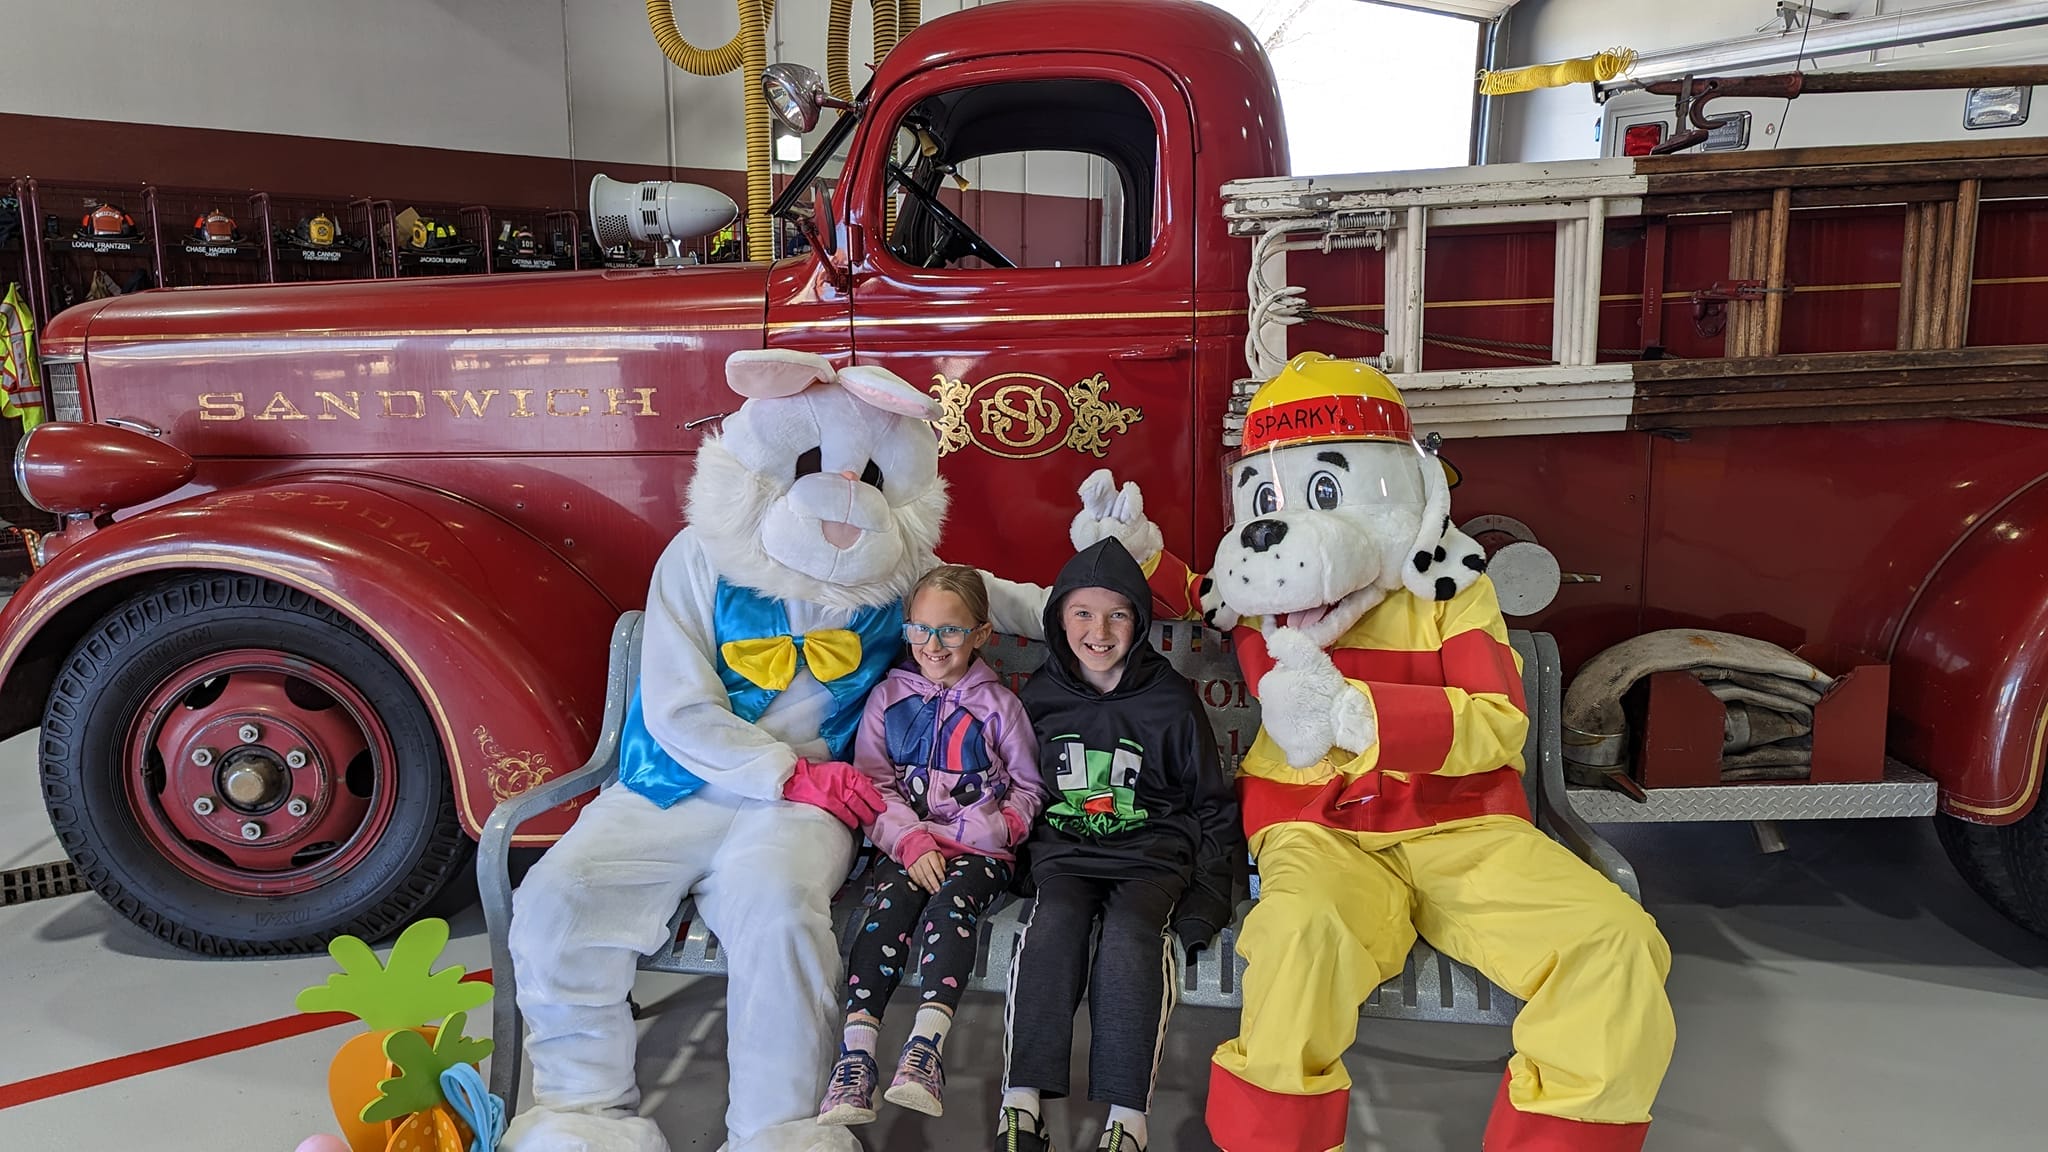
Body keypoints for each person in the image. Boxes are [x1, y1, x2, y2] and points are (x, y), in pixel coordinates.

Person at [995, 539, 1242, 1152]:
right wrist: (1012, 863)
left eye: (1117, 615)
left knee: (1132, 935)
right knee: (1055, 924)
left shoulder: (1171, 700)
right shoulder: (1040, 697)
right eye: (1082, 613)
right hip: (1065, 854)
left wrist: (1206, 900)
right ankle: (1021, 1105)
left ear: (1139, 620)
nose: (1099, 631)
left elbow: (1211, 804)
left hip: (1152, 857)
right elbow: (1017, 787)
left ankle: (1127, 1119)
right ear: (1059, 620)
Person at [819, 565, 1047, 1125]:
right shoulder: (888, 698)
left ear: (980, 635)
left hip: (979, 853)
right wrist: (912, 839)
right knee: (887, 909)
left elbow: (1029, 787)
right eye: (919, 629)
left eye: (949, 630)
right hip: (908, 845)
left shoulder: (1000, 707)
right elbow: (874, 785)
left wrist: (999, 831)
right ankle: (857, 1059)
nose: (932, 644)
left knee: (952, 908)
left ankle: (925, 1049)